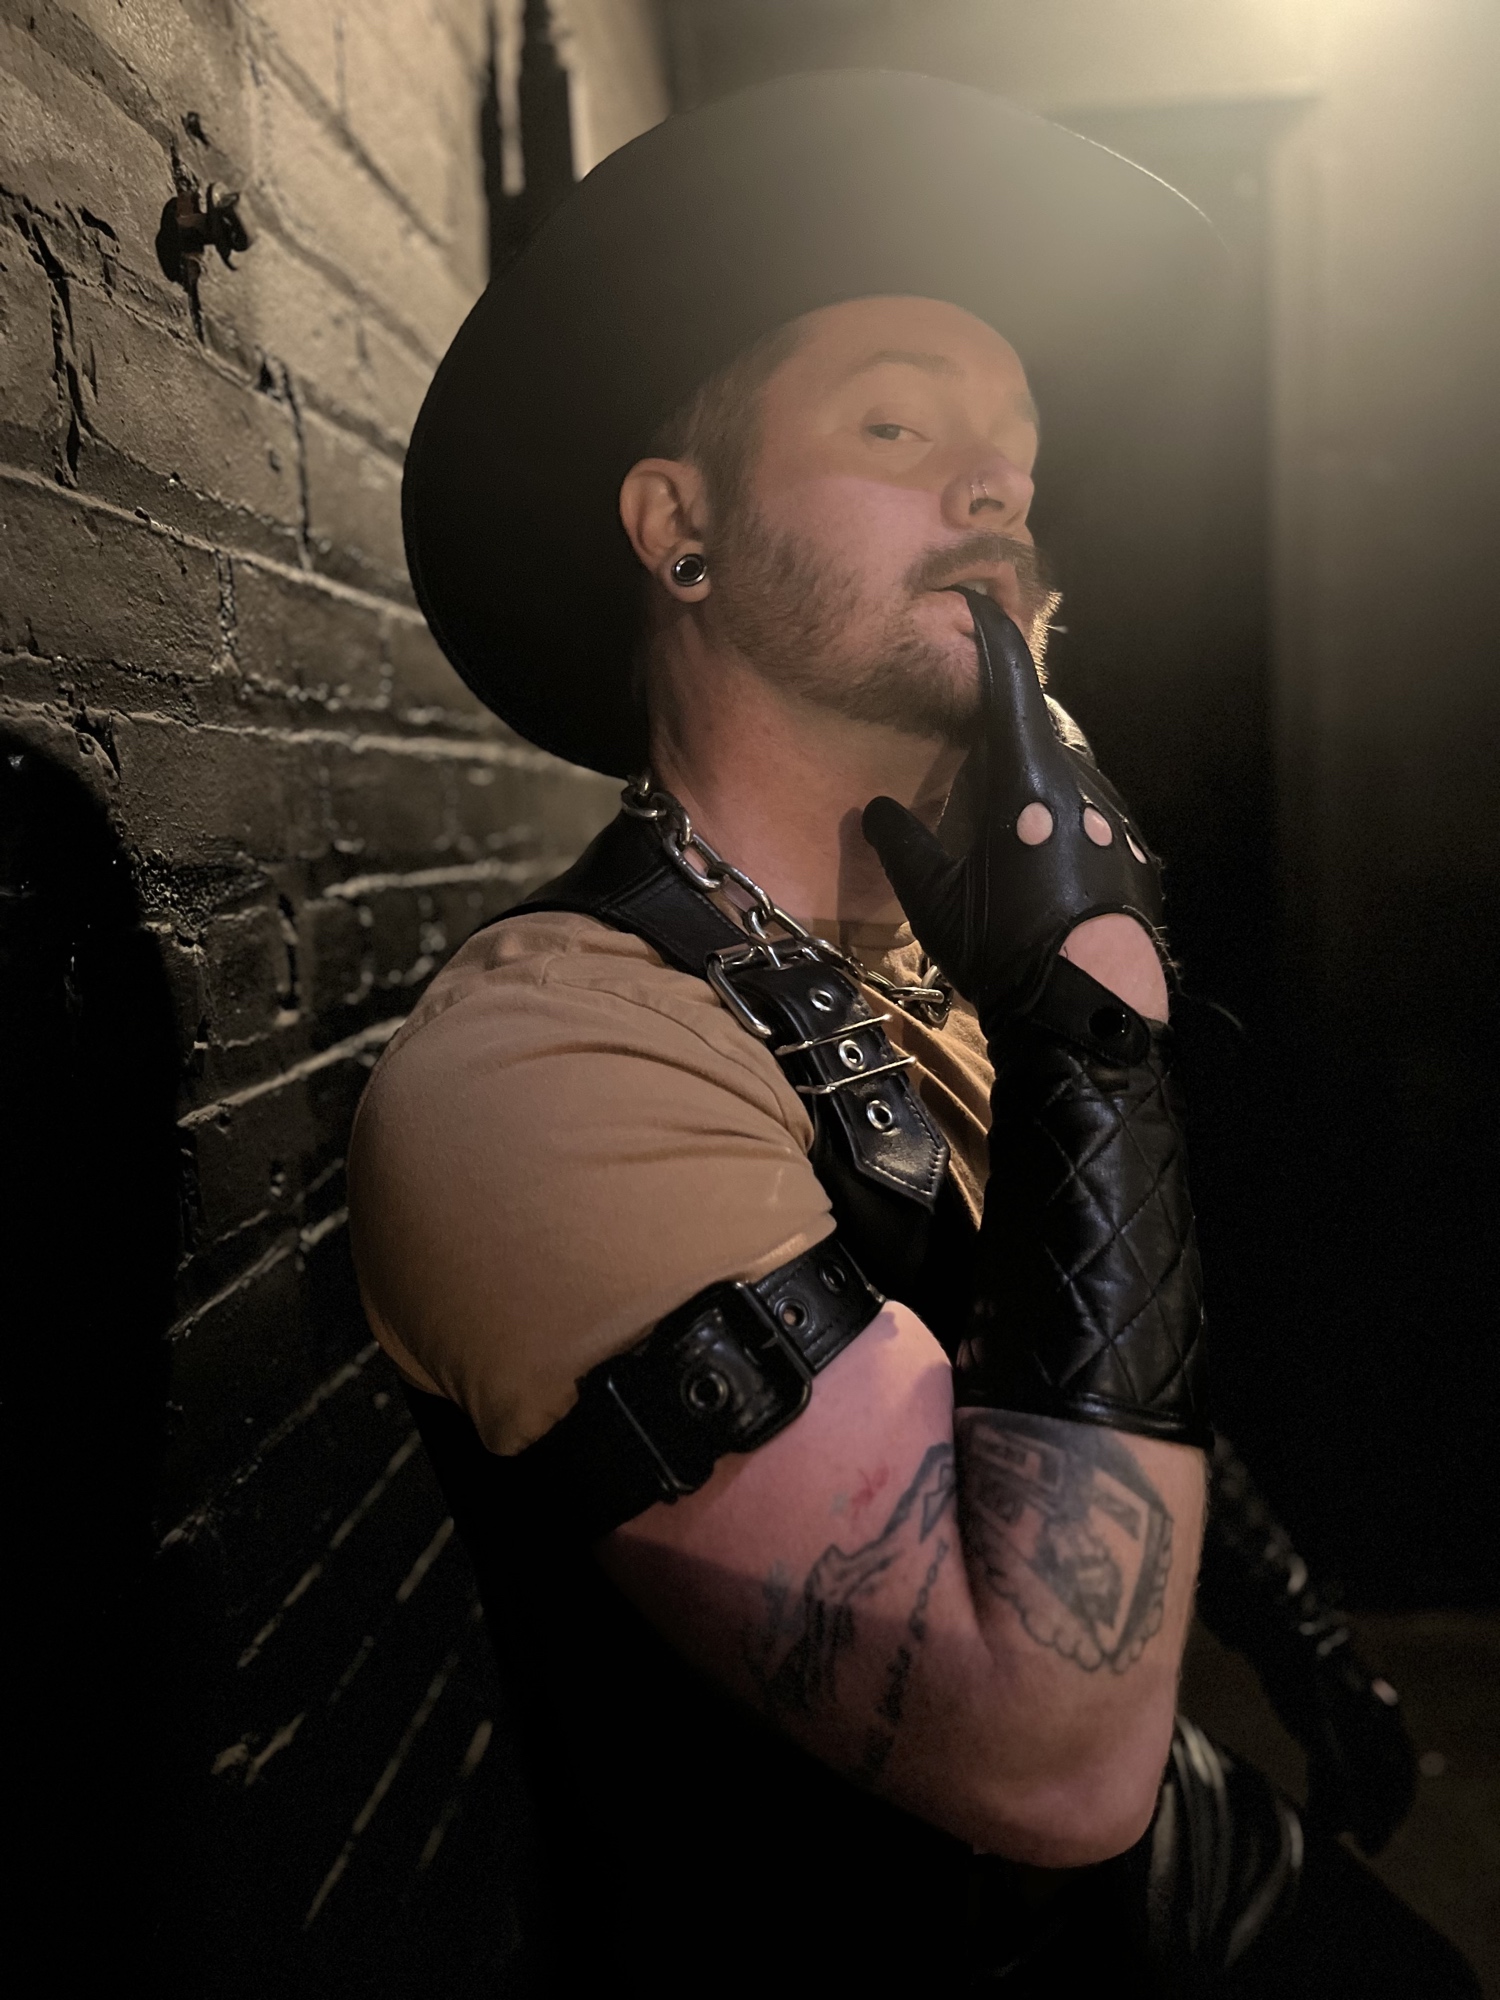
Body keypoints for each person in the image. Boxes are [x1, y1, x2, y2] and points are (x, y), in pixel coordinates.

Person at [350, 72, 1476, 1996]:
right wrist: (1098, 1041)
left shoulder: (920, 965)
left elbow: (1047, 1331)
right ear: (680, 529)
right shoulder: (555, 1064)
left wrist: (1293, 1632)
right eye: (898, 424)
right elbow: (1051, 1758)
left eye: (1017, 450)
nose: (997, 489)